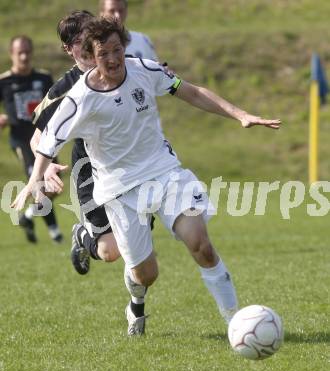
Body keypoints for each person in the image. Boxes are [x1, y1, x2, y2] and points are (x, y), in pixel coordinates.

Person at [12, 17, 281, 336]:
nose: (112, 59)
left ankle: (235, 322)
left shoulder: (145, 69)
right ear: (89, 55)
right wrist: (35, 179)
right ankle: (135, 303)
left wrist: (240, 114)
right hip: (118, 188)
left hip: (163, 173)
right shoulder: (77, 98)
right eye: (103, 54)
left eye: (117, 50)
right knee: (144, 273)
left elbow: (191, 92)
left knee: (201, 245)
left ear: (124, 47)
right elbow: (46, 140)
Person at [31, 9, 158, 276]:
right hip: (90, 168)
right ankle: (82, 235)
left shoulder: (123, 65)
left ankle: (137, 305)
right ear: (68, 49)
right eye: (78, 41)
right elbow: (38, 139)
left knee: (136, 246)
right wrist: (48, 166)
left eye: (90, 34)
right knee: (110, 252)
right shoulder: (63, 90)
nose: (87, 43)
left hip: (133, 164)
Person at [0, 35, 63, 243]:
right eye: (20, 52)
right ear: (12, 54)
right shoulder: (4, 82)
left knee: (54, 185)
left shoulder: (44, 78)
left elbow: (57, 105)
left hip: (44, 139)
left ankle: (27, 217)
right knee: (39, 184)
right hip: (21, 140)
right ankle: (55, 234)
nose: (24, 56)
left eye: (27, 51)